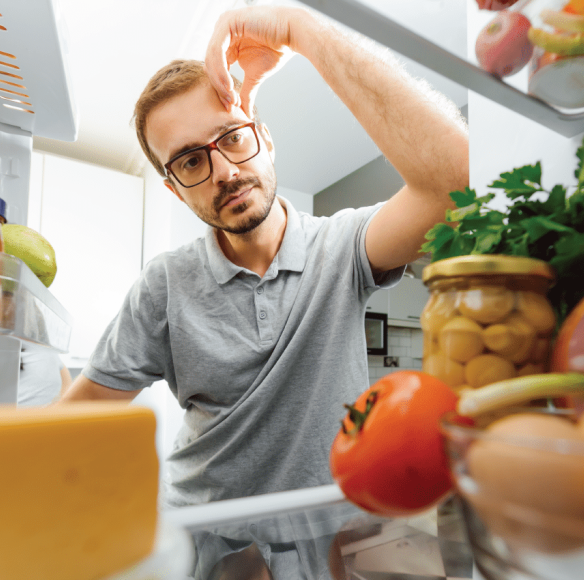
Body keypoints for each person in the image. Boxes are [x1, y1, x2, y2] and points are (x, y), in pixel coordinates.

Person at [59, 6, 468, 507]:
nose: (225, 171)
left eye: (232, 137)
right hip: (204, 546)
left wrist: (304, 28)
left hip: (328, 543)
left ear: (264, 141)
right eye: (191, 160)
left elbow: (455, 188)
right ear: (174, 191)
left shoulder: (342, 248)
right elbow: (72, 425)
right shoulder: (163, 286)